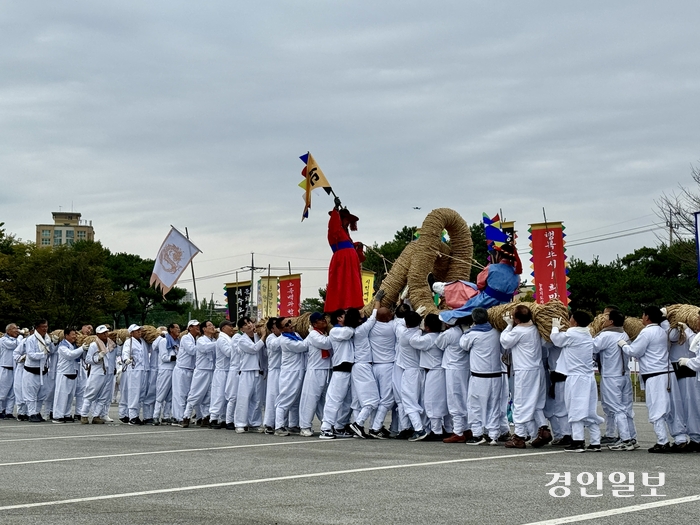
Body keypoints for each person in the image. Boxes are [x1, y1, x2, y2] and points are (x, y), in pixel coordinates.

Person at [620, 306, 688, 453]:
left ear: (647, 317)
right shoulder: (664, 330)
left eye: (643, 315)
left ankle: (662, 441)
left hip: (655, 374)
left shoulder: (647, 332)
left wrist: (624, 345)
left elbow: (635, 351)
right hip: (668, 372)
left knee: (657, 408)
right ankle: (680, 438)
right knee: (674, 408)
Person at [551, 311, 603, 452]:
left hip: (576, 378)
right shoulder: (587, 333)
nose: (569, 320)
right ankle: (595, 441)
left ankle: (578, 441)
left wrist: (555, 327)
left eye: (571, 318)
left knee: (575, 408)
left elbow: (556, 340)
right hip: (588, 377)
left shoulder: (573, 334)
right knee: (589, 409)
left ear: (575, 321)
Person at [499, 305, 549, 448]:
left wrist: (508, 326)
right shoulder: (536, 329)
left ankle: (519, 436)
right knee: (537, 403)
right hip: (537, 369)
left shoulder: (518, 331)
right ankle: (543, 428)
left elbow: (505, 341)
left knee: (520, 403)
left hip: (524, 371)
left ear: (517, 319)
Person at [438, 244, 522, 324]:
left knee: (465, 286)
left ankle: (441, 289)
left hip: (486, 300)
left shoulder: (491, 268)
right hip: (505, 305)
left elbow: (479, 284)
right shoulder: (517, 275)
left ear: (499, 255)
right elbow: (514, 289)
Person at [593, 309, 638, 451]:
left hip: (611, 376)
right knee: (626, 409)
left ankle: (625, 439)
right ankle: (632, 437)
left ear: (611, 322)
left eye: (606, 318)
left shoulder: (605, 335)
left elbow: (591, 348)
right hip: (624, 375)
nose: (603, 320)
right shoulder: (624, 333)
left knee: (616, 408)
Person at [461, 307, 505, 445]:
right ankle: (493, 435)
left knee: (475, 406)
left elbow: (463, 345)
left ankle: (478, 434)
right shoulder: (496, 332)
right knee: (494, 405)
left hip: (479, 377)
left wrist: (467, 330)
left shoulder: (471, 335)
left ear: (474, 320)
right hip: (496, 376)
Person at [319, 308, 359, 439]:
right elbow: (348, 333)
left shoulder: (347, 329)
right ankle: (326, 427)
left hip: (350, 369)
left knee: (348, 401)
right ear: (339, 318)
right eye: (345, 315)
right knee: (334, 399)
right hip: (340, 369)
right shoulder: (335, 331)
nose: (347, 317)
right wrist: (355, 321)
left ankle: (339, 426)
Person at [410, 313, 450, 440]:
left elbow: (413, 341)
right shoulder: (441, 335)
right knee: (443, 402)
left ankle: (436, 430)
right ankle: (448, 428)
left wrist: (418, 330)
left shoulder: (428, 338)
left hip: (434, 371)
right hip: (440, 371)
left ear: (427, 327)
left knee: (432, 402)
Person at [324, 203, 365, 312]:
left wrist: (357, 245)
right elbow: (333, 224)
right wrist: (336, 209)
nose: (348, 223)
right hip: (342, 261)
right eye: (346, 220)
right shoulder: (334, 231)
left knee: (352, 284)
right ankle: (341, 307)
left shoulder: (346, 235)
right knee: (342, 283)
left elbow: (349, 245)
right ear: (339, 219)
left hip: (350, 262)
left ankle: (354, 305)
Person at [349, 305, 380, 439]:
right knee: (373, 400)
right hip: (363, 366)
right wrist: (377, 301)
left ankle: (357, 430)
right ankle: (358, 423)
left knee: (356, 401)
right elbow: (373, 318)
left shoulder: (353, 330)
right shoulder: (361, 330)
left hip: (357, 366)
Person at [299, 312, 333, 437]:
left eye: (324, 318)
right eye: (320, 320)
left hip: (326, 369)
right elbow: (326, 344)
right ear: (314, 324)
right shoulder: (313, 334)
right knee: (310, 399)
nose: (324, 321)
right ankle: (305, 426)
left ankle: (326, 424)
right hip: (315, 371)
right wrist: (335, 333)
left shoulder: (324, 333)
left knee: (324, 400)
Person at [438, 316, 470, 443]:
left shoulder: (450, 333)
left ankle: (458, 431)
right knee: (464, 398)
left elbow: (439, 344)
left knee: (454, 399)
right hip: (464, 367)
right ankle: (466, 428)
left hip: (453, 368)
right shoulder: (465, 332)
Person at [367, 301, 397, 439]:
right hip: (387, 366)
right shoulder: (392, 327)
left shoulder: (371, 327)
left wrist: (377, 302)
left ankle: (374, 424)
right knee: (387, 399)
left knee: (377, 399)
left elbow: (376, 314)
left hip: (374, 366)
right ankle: (376, 427)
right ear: (388, 317)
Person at [275, 317, 307, 436]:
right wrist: (312, 334)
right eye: (286, 324)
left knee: (295, 400)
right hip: (289, 373)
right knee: (284, 399)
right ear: (281, 329)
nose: (290, 324)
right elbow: (303, 347)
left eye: (289, 322)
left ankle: (293, 425)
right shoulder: (285, 340)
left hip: (298, 371)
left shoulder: (295, 334)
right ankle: (279, 426)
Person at [400, 311, 429, 442]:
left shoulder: (405, 335)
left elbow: (401, 323)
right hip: (421, 371)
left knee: (409, 402)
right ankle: (426, 428)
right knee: (422, 401)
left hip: (411, 372)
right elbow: (416, 331)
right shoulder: (420, 334)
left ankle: (419, 429)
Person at [183, 320, 217, 428]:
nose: (212, 327)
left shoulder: (213, 340)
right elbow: (206, 348)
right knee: (195, 394)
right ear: (204, 329)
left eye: (212, 325)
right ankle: (186, 416)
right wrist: (218, 342)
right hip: (202, 370)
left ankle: (205, 417)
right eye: (209, 325)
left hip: (211, 370)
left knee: (208, 396)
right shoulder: (201, 340)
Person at [80, 325, 117, 423]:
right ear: (98, 334)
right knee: (90, 394)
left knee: (104, 395)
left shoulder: (111, 344)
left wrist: (120, 345)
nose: (106, 334)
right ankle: (84, 415)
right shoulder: (94, 345)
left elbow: (116, 355)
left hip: (108, 372)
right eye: (103, 333)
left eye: (106, 332)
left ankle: (97, 416)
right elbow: (88, 359)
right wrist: (97, 358)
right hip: (97, 373)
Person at [235, 317, 265, 432]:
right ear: (242, 329)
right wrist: (264, 337)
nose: (249, 325)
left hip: (258, 371)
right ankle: (240, 423)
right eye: (245, 324)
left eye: (249, 322)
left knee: (257, 399)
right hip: (247, 371)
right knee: (244, 397)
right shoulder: (242, 340)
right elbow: (254, 349)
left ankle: (255, 423)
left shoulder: (257, 336)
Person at [23, 320, 56, 422]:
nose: (45, 329)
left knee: (42, 394)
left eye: (46, 326)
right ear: (37, 327)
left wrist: (53, 344)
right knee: (30, 393)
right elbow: (31, 354)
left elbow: (52, 352)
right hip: (31, 370)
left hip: (43, 370)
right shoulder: (31, 339)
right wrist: (43, 353)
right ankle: (31, 413)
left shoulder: (47, 339)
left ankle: (37, 412)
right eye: (43, 327)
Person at [53, 328, 85, 423]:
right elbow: (70, 355)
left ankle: (66, 414)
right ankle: (58, 415)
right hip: (63, 373)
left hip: (73, 372)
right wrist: (82, 348)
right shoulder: (62, 346)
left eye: (75, 334)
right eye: (72, 335)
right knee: (61, 395)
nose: (75, 336)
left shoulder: (74, 345)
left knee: (70, 396)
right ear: (66, 335)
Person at [172, 320, 199, 425]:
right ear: (190, 328)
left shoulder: (196, 339)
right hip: (182, 369)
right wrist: (204, 346)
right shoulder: (186, 338)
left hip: (190, 369)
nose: (198, 327)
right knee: (180, 394)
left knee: (188, 394)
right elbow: (192, 350)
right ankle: (179, 417)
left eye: (198, 326)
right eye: (195, 326)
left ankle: (184, 415)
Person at [122, 324, 150, 425]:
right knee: (134, 392)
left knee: (141, 393)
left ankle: (136, 415)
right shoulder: (128, 342)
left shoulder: (143, 342)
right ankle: (132, 416)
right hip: (134, 369)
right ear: (131, 333)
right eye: (136, 331)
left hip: (144, 369)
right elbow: (125, 352)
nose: (139, 332)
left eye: (139, 330)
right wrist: (126, 360)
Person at [153, 324, 179, 425]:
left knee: (171, 395)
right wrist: (177, 357)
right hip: (165, 370)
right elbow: (164, 357)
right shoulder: (164, 341)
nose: (178, 330)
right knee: (161, 393)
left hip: (174, 369)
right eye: (176, 328)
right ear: (171, 330)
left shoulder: (177, 342)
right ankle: (155, 415)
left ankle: (166, 416)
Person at [209, 320, 233, 429]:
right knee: (218, 394)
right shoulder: (222, 339)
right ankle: (213, 417)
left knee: (226, 395)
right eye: (230, 326)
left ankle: (223, 418)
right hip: (222, 371)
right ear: (223, 328)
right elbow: (228, 353)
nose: (232, 328)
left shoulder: (228, 339)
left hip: (228, 370)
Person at [262, 318, 281, 434]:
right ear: (272, 329)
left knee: (283, 397)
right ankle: (269, 423)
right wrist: (286, 335)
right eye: (277, 326)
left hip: (285, 370)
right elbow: (275, 346)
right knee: (272, 397)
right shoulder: (271, 338)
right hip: (274, 371)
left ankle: (283, 422)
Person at [0, 324, 19, 419]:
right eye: (14, 329)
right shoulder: (3, 340)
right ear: (8, 331)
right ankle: (0, 410)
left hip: (14, 369)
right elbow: (12, 345)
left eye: (17, 328)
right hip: (5, 368)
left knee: (12, 393)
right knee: (2, 391)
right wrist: (20, 337)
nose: (17, 330)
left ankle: (9, 412)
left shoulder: (17, 340)